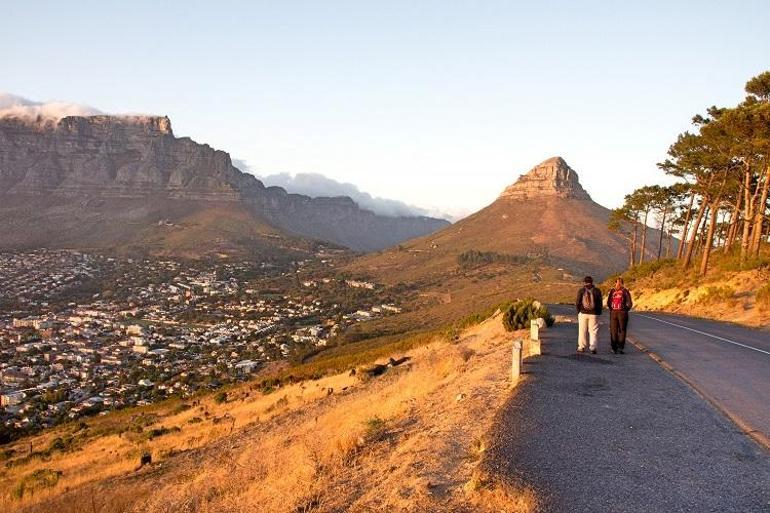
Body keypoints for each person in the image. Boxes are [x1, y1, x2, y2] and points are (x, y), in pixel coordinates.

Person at [575, 276, 602, 354]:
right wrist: (598, 313)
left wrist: (579, 312)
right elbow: (600, 303)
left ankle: (581, 347)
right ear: (592, 282)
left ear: (584, 282)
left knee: (582, 330)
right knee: (593, 331)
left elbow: (577, 302)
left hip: (583, 313)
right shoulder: (597, 291)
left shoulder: (581, 290)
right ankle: (593, 347)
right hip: (594, 314)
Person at [607, 277, 633, 354]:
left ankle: (614, 348)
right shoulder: (625, 291)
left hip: (614, 313)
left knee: (613, 330)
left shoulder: (612, 291)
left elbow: (608, 303)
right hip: (623, 313)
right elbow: (630, 303)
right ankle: (621, 347)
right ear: (623, 283)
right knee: (622, 330)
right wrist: (625, 310)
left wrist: (612, 310)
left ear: (615, 283)